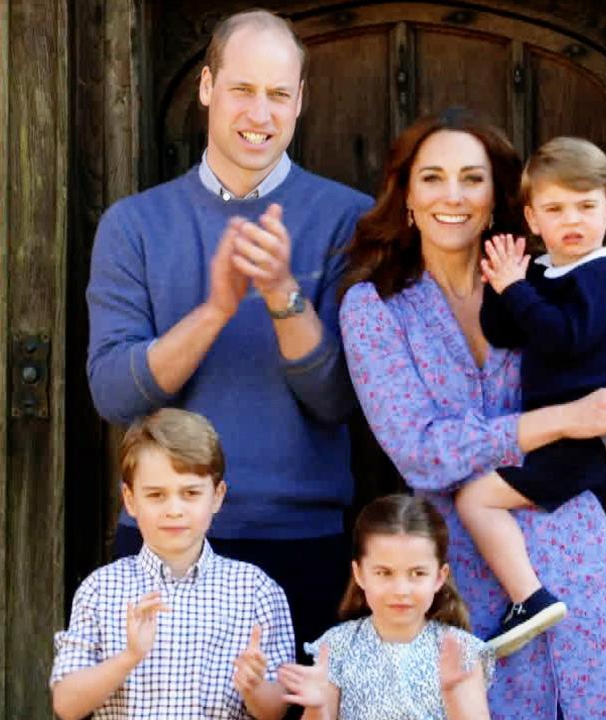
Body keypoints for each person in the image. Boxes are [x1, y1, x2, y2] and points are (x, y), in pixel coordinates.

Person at [337, 109, 606, 719]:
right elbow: (421, 449)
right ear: (407, 197)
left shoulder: (548, 283)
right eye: (432, 178)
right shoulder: (375, 308)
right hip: (462, 585)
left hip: (582, 569)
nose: (453, 196)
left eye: (471, 179)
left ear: (497, 197)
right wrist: (566, 420)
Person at [85, 8, 372, 656]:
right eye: (242, 89)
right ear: (207, 86)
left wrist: (280, 294)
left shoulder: (349, 221)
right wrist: (214, 309)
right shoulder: (133, 225)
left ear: (300, 100)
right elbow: (114, 396)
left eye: (277, 95)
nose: (259, 114)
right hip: (163, 542)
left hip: (302, 544)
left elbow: (337, 401)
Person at [454, 137, 606, 657]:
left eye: (585, 206)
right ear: (533, 219)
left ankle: (529, 599)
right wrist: (502, 282)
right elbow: (505, 331)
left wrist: (518, 288)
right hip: (554, 435)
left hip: (578, 443)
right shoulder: (547, 273)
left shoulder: (604, 275)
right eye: (555, 209)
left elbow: (563, 337)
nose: (572, 220)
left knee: (475, 498)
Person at [50, 408, 293, 720]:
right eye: (156, 495)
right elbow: (66, 705)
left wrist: (254, 687)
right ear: (130, 499)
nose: (174, 509)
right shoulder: (100, 589)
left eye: (190, 493)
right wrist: (129, 657)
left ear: (217, 496)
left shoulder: (255, 590)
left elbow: (275, 711)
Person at [278, 494, 492, 720]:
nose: (401, 589)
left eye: (417, 573)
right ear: (359, 573)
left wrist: (453, 695)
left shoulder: (461, 651)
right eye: (384, 573)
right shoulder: (336, 646)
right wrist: (317, 707)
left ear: (440, 577)